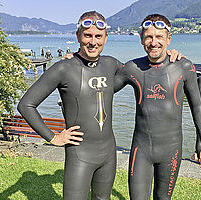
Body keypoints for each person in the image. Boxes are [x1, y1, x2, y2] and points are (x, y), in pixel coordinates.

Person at [18, 11, 182, 200]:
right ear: (78, 36)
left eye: (98, 36)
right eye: (88, 35)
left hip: (108, 154)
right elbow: (26, 105)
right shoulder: (64, 68)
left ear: (105, 38)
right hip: (80, 153)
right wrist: (53, 137)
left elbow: (145, 69)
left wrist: (170, 57)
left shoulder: (112, 64)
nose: (93, 42)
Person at [114, 14, 201, 200]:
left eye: (159, 37)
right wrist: (80, 61)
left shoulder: (184, 66)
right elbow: (101, 87)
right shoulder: (132, 68)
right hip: (141, 149)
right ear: (142, 39)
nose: (154, 42)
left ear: (169, 38)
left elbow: (198, 107)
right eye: (149, 37)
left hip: (171, 150)